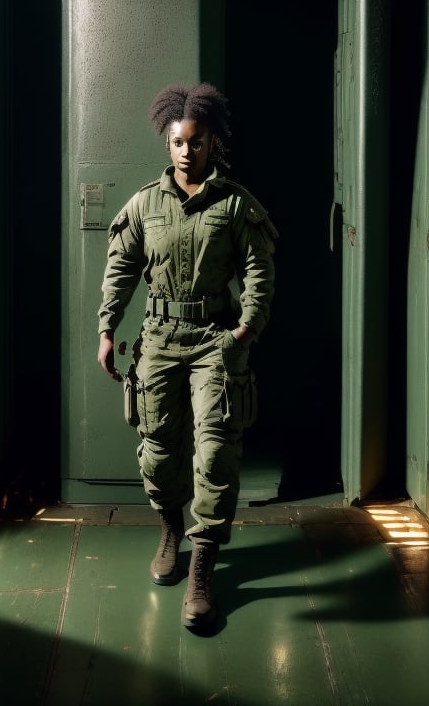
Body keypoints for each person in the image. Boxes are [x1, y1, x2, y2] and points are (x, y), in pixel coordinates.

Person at [97, 81, 277, 633]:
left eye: (195, 141)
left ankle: (203, 565)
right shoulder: (145, 205)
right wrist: (107, 328)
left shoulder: (234, 204)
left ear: (210, 142)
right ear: (167, 142)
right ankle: (170, 533)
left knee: (216, 455)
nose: (185, 150)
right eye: (177, 141)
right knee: (156, 453)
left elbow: (259, 270)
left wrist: (244, 332)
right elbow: (121, 266)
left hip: (214, 343)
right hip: (157, 341)